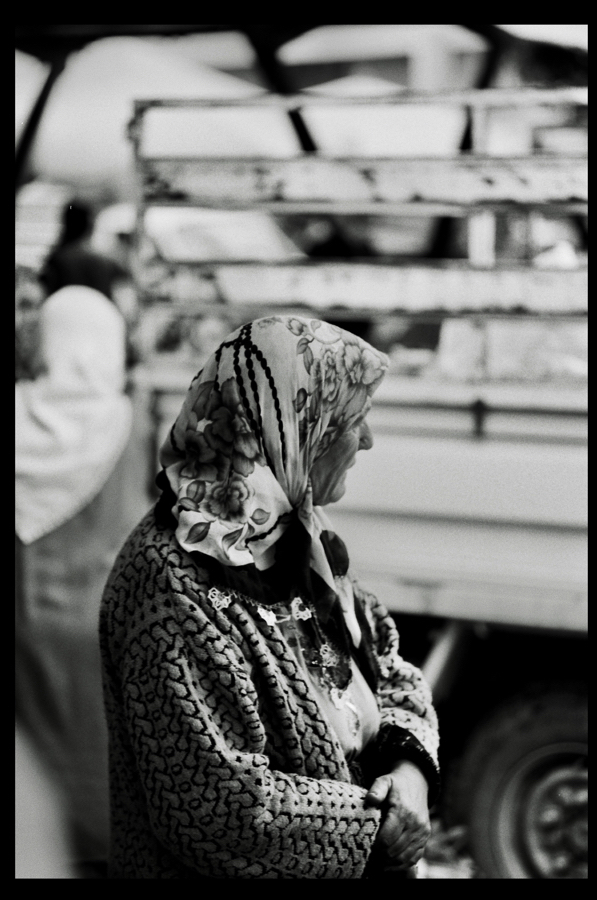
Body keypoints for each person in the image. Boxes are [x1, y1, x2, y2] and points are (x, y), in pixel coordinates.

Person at [99, 315, 440, 879]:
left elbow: (390, 669)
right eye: (352, 420)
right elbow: (220, 810)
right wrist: (378, 827)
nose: (367, 440)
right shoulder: (169, 584)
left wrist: (409, 772)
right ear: (293, 428)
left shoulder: (299, 540)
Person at [15, 285, 146, 875]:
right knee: (99, 758)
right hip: (103, 628)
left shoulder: (19, 413)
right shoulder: (126, 419)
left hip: (24, 625)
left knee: (36, 763)